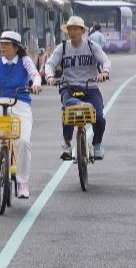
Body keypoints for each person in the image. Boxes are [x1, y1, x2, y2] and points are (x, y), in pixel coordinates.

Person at [0, 31, 41, 199]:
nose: (2, 47)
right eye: (1, 44)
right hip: (0, 102)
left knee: (23, 142)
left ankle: (22, 182)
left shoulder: (25, 61)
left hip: (21, 105)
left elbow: (35, 75)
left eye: (6, 44)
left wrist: (36, 84)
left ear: (16, 47)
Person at [44, 14, 110, 160]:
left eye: (75, 29)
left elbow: (105, 60)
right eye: (70, 29)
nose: (72, 32)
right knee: (68, 112)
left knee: (99, 117)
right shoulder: (63, 47)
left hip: (90, 87)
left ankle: (97, 144)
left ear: (82, 31)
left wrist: (104, 72)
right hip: (69, 87)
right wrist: (49, 77)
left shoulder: (91, 46)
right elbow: (49, 64)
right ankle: (67, 145)